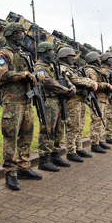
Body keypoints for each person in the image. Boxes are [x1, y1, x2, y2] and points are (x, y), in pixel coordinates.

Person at [0, 22, 42, 191]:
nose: (21, 35)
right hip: (12, 103)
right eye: (18, 32)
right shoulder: (3, 53)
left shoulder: (24, 54)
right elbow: (3, 74)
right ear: (10, 34)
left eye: (22, 32)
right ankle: (10, 172)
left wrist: (36, 77)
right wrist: (23, 75)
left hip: (27, 101)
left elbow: (32, 73)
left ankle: (24, 166)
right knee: (11, 137)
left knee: (26, 135)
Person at [34, 42, 74, 172]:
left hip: (59, 100)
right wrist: (65, 90)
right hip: (49, 101)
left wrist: (71, 87)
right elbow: (48, 82)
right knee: (47, 130)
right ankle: (44, 159)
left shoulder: (53, 65)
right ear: (44, 52)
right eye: (50, 51)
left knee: (58, 129)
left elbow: (63, 78)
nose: (52, 53)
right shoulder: (39, 67)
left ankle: (55, 154)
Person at [57, 47, 97, 162]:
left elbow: (78, 79)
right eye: (71, 56)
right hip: (72, 101)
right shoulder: (63, 68)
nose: (74, 59)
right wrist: (90, 82)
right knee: (73, 126)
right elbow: (75, 80)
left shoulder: (72, 68)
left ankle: (79, 147)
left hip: (80, 100)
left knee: (80, 125)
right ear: (64, 57)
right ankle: (71, 151)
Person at [84, 52, 112, 153]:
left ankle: (100, 140)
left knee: (102, 120)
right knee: (96, 121)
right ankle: (94, 143)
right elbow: (93, 84)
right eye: (98, 59)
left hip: (102, 98)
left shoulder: (97, 70)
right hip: (96, 98)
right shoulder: (90, 70)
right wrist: (106, 85)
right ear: (93, 59)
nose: (100, 60)